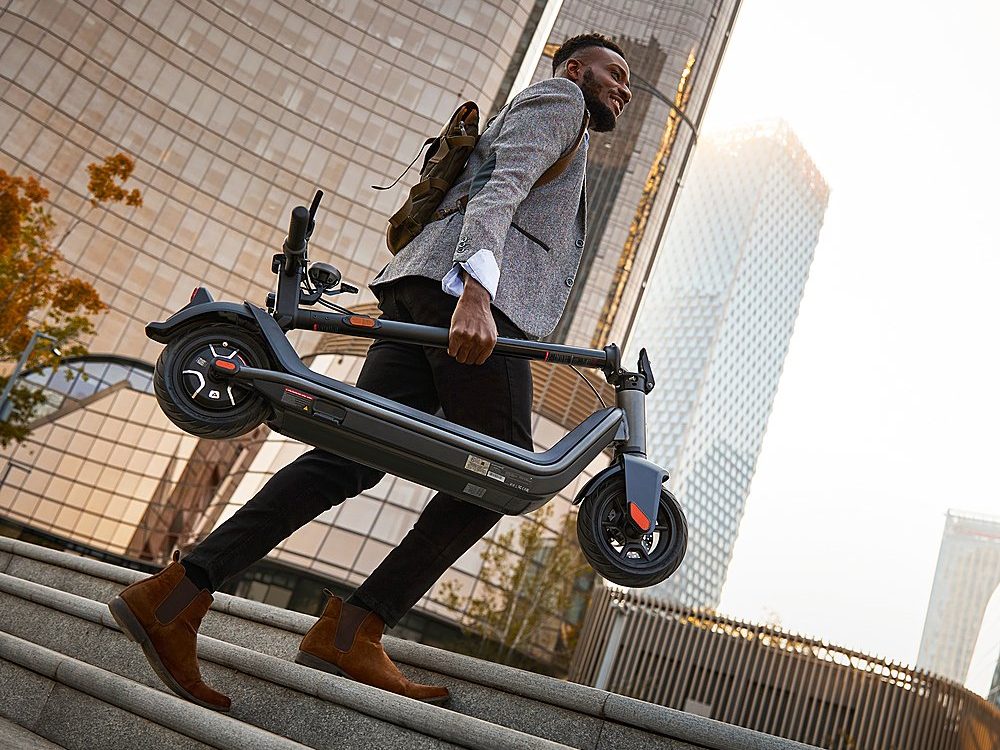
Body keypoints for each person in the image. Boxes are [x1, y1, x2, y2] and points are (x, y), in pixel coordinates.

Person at [108, 33, 632, 712]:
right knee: (501, 476)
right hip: (463, 297)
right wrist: (476, 290)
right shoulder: (560, 98)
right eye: (612, 73)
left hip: (422, 286)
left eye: (626, 82)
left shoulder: (562, 115)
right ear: (575, 69)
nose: (620, 88)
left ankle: (173, 597)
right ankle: (356, 629)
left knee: (347, 459)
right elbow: (500, 185)